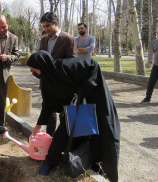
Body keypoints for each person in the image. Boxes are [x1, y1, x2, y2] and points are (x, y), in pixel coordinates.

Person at [27, 51, 120, 182]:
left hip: (96, 99)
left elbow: (93, 65)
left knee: (104, 132)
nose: (34, 74)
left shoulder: (66, 66)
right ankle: (49, 162)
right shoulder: (47, 82)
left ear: (42, 65)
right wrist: (38, 125)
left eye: (34, 70)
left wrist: (83, 89)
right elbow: (47, 104)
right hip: (75, 106)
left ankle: (102, 171)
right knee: (63, 133)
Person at [39, 11, 78, 136]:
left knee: (64, 114)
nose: (45, 29)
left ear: (55, 23)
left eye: (47, 26)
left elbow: (72, 65)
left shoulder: (69, 40)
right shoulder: (44, 40)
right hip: (46, 84)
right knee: (49, 113)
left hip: (62, 85)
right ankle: (50, 140)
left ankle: (62, 142)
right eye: (44, 26)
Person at [141, 24, 158, 106]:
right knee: (151, 82)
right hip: (156, 66)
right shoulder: (155, 42)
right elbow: (155, 52)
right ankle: (147, 98)